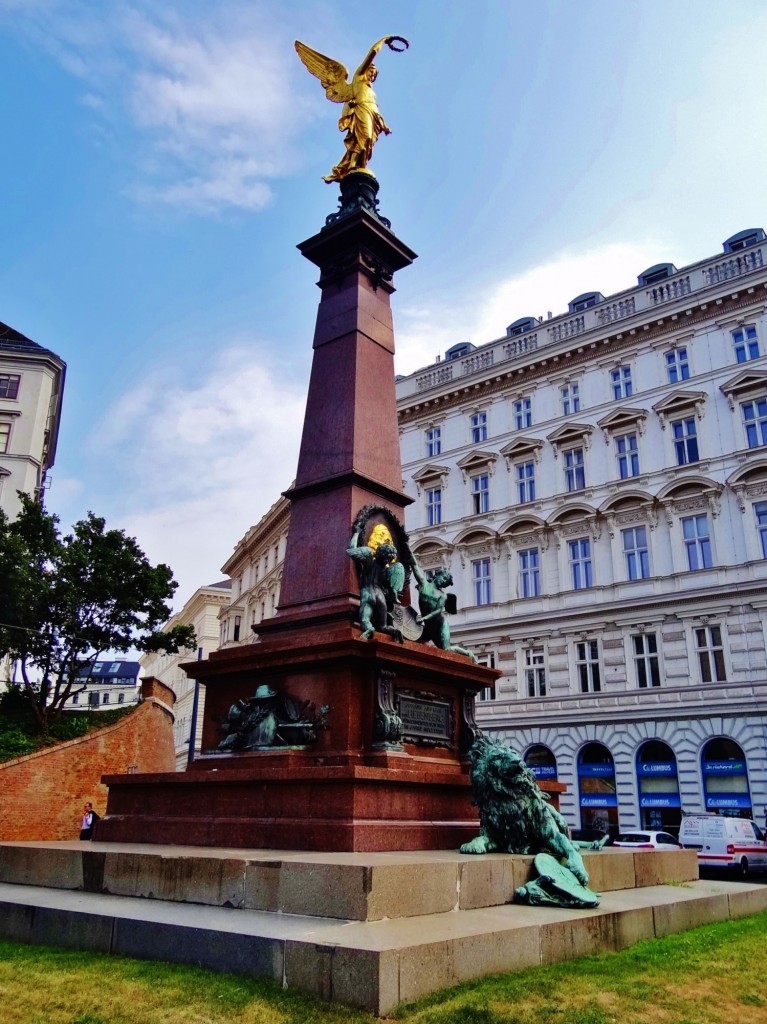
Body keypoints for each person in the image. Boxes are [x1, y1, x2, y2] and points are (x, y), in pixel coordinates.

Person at [295, 36, 408, 182]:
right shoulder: (358, 78)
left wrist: (384, 126)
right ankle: (351, 167)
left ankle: (355, 165)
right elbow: (372, 53)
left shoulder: (372, 92)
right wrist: (384, 40)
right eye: (371, 71)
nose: (372, 74)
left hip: (371, 113)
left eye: (374, 74)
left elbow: (375, 109)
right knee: (364, 138)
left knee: (366, 143)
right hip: (361, 110)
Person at [408, 551, 476, 661]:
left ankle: (466, 652)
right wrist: (407, 549)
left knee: (445, 649)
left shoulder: (443, 596)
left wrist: (424, 618)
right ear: (437, 575)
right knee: (415, 644)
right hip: (428, 627)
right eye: (444, 579)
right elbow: (415, 565)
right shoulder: (424, 585)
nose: (443, 582)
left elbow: (438, 611)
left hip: (440, 625)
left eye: (445, 583)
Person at [347, 528, 403, 641]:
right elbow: (392, 590)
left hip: (368, 593)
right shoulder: (388, 571)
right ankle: (394, 631)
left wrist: (356, 532)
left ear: (378, 552)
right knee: (383, 626)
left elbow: (351, 550)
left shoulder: (368, 561)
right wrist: (395, 597)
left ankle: (369, 629)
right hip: (380, 596)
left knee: (364, 619)